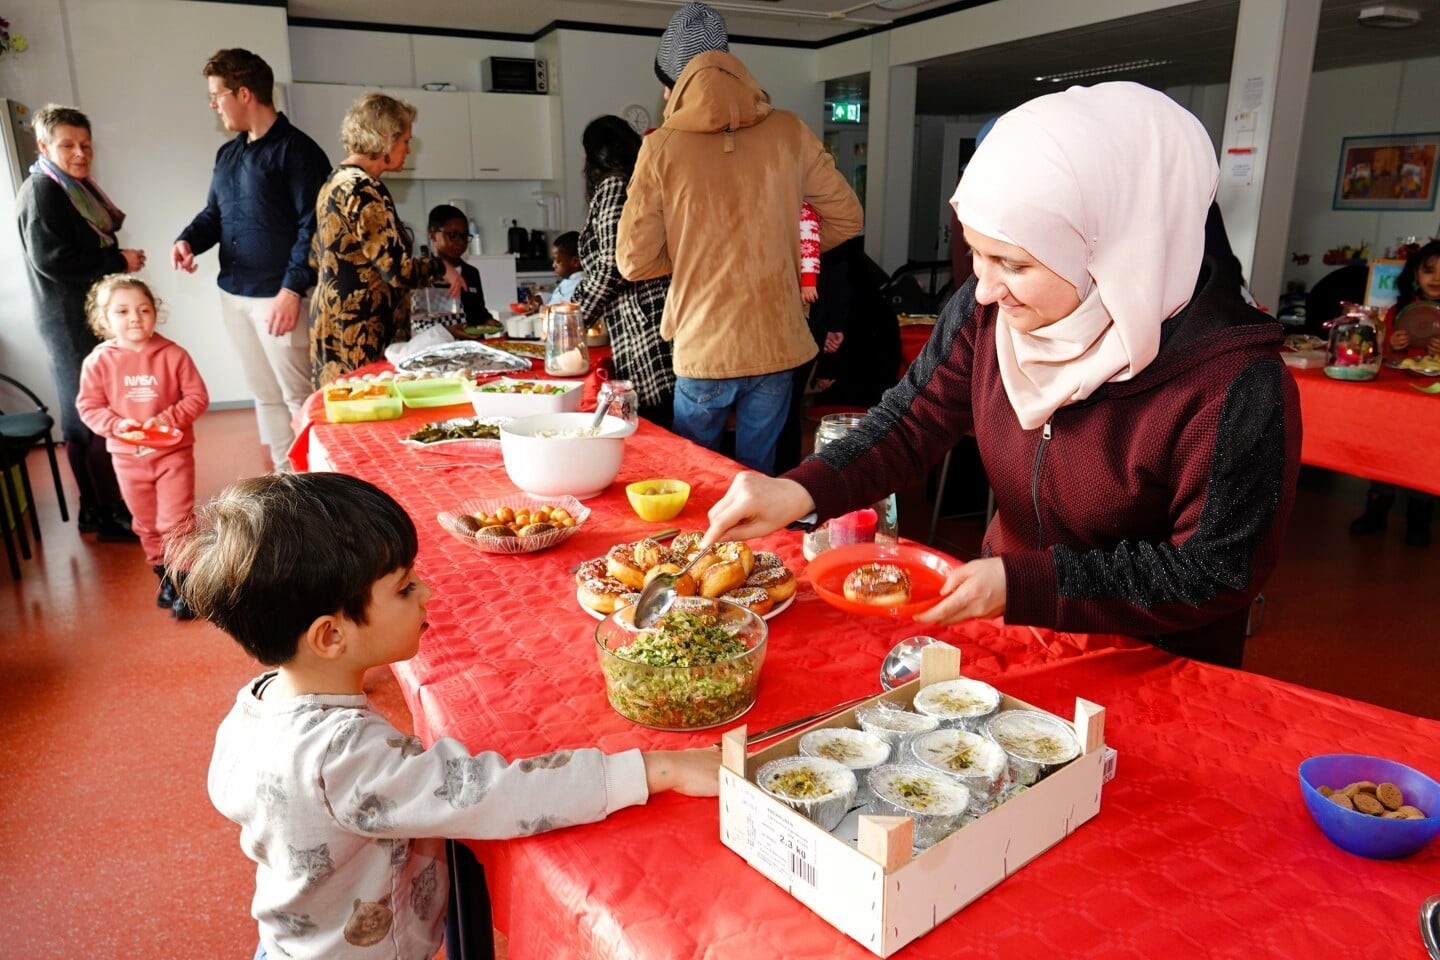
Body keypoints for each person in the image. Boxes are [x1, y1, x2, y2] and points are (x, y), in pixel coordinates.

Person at [702, 82, 1301, 669]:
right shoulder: (985, 312)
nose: (984, 288)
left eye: (1011, 264)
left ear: (1111, 249)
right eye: (976, 254)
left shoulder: (1235, 382)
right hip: (1013, 632)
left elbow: (1213, 572)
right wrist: (802, 489)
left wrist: (1026, 584)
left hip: (1152, 664)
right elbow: (912, 421)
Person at [171, 471, 718, 960]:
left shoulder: (256, 703)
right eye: (404, 587)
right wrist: (655, 768)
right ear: (330, 635)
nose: (426, 592)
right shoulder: (343, 758)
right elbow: (494, 795)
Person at [616, 1, 863, 475]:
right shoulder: (789, 131)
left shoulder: (661, 145)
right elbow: (846, 218)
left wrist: (692, 255)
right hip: (776, 338)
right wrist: (785, 254)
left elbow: (634, 261)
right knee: (759, 480)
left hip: (704, 341)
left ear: (676, 83)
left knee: (693, 479)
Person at [172, 49, 332, 472]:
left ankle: (315, 486)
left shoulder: (299, 152)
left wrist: (291, 290)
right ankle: (284, 482)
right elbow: (215, 214)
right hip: (233, 294)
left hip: (279, 298)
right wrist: (188, 240)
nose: (213, 104)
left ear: (244, 93)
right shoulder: (228, 155)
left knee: (299, 397)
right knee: (265, 395)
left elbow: (314, 228)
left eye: (216, 94)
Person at [16, 104, 142, 542]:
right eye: (67, 145)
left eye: (86, 145)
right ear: (44, 146)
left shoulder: (72, 188)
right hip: (67, 321)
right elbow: (53, 261)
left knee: (90, 411)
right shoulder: (43, 191)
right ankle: (103, 512)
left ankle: (99, 506)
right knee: (85, 416)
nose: (80, 153)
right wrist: (117, 261)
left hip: (83, 316)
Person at [76, 275, 209, 619]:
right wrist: (116, 426)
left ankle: (186, 581)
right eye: (122, 311)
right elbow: (89, 406)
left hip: (173, 455)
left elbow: (197, 397)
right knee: (146, 523)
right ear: (104, 319)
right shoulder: (97, 362)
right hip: (127, 458)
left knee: (175, 520)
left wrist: (167, 419)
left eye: (144, 309)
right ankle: (164, 576)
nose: (135, 318)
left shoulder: (174, 354)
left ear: (154, 313)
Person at [310, 92, 464, 386]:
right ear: (384, 138)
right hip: (362, 331)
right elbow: (397, 271)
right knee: (367, 401)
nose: (408, 149)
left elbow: (315, 257)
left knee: (340, 402)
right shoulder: (365, 189)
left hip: (332, 324)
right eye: (405, 140)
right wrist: (441, 266)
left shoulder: (333, 182)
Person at [572, 115, 675, 428]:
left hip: (640, 321)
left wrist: (573, 320)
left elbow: (611, 267)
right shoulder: (640, 181)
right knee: (666, 416)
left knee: (657, 421)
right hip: (652, 314)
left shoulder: (614, 186)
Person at [1349, 239, 1440, 546]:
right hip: (1396, 399)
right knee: (1386, 451)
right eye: (1429, 270)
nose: (1436, 278)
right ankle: (1376, 510)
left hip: (1432, 401)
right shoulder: (1395, 312)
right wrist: (1392, 344)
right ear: (1415, 273)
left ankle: (1419, 517)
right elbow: (1377, 352)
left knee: (1426, 455)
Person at [425, 204, 493, 332]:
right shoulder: (424, 273)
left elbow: (479, 311)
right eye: (452, 235)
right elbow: (419, 324)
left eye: (464, 236)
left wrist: (487, 320)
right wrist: (448, 331)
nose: (461, 242)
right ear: (432, 235)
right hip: (439, 343)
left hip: (473, 342)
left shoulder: (472, 273)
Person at [531, 231, 584, 306]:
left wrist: (544, 307)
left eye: (558, 261)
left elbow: (564, 307)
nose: (554, 265)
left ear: (575, 262)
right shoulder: (570, 280)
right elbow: (559, 298)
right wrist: (542, 299)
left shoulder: (580, 286)